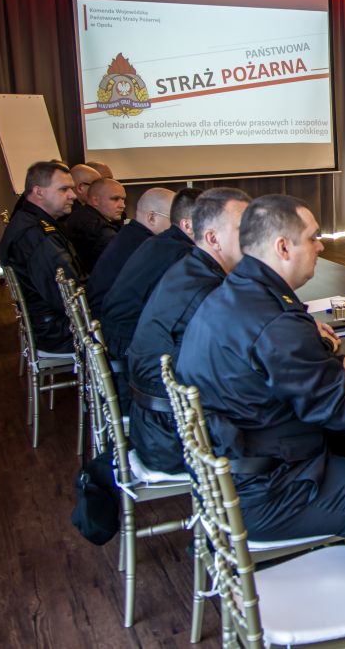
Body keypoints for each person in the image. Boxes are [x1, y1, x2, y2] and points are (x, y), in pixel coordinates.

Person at [175, 195, 345, 563]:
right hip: (265, 491)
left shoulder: (234, 294)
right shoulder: (275, 320)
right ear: (283, 247)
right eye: (313, 237)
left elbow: (305, 372)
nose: (321, 246)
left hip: (230, 471)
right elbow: (339, 407)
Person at [126, 188, 251, 474]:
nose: (254, 236)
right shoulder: (207, 290)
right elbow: (249, 361)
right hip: (180, 435)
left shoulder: (191, 268)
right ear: (212, 238)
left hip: (158, 424)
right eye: (243, 229)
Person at [98, 188, 201, 360]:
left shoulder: (157, 242)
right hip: (131, 345)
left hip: (115, 333)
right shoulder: (181, 253)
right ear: (188, 225)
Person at [0, 161, 82, 353]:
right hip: (58, 331)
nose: (73, 195)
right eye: (64, 189)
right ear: (39, 192)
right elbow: (67, 296)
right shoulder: (37, 235)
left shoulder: (28, 219)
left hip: (48, 323)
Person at [86, 188, 174, 315]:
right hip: (110, 319)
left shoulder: (130, 235)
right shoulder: (145, 245)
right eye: (173, 219)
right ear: (152, 217)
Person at [61, 178, 126, 274]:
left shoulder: (79, 215)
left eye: (123, 199)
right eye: (115, 199)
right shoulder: (100, 230)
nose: (122, 205)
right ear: (95, 200)